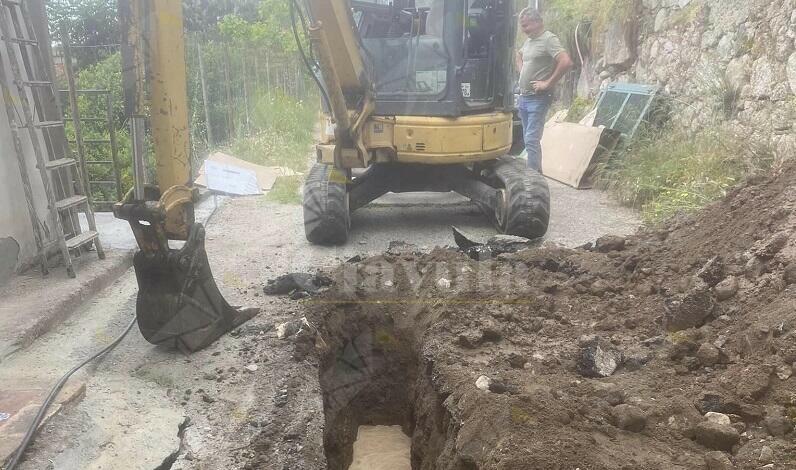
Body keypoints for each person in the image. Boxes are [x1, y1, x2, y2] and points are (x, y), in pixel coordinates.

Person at [515, 8, 573, 172]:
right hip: (524, 97)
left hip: (538, 98)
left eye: (526, 25)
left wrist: (547, 83)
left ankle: (534, 179)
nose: (523, 29)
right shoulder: (529, 41)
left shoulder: (548, 39)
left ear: (537, 22)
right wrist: (523, 72)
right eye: (522, 26)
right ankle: (535, 174)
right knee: (528, 139)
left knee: (532, 139)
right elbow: (518, 55)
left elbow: (566, 61)